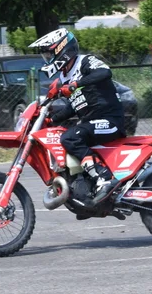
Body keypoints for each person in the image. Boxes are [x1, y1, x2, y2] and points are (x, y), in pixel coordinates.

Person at [29, 28, 125, 204]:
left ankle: (104, 177)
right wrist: (50, 119)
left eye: (49, 54)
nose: (47, 59)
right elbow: (75, 106)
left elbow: (105, 72)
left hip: (110, 120)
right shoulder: (65, 76)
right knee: (61, 137)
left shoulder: (84, 62)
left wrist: (76, 84)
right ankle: (82, 189)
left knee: (71, 138)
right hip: (91, 123)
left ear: (62, 50)